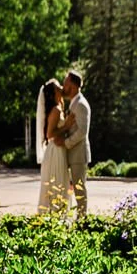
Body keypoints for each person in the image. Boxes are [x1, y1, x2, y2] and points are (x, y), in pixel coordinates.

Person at [57, 70, 91, 218]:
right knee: (72, 188)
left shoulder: (81, 104)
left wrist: (66, 143)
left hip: (78, 154)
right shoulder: (74, 103)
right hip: (71, 153)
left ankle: (82, 220)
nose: (63, 86)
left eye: (66, 83)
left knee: (79, 188)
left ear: (73, 85)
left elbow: (82, 131)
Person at [36, 78, 72, 214]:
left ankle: (56, 215)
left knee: (59, 183)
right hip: (55, 151)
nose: (61, 88)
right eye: (58, 88)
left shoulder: (58, 108)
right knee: (57, 183)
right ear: (53, 93)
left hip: (58, 149)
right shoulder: (56, 110)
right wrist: (67, 126)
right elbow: (49, 134)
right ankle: (54, 215)